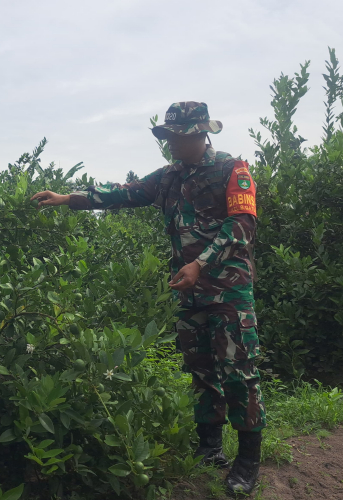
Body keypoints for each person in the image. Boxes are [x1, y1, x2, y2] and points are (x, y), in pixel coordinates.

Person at [31, 102, 265, 495]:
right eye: (167, 136)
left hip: (227, 291)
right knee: (202, 371)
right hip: (189, 294)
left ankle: (247, 462)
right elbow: (124, 193)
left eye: (176, 136)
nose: (170, 143)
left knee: (239, 373)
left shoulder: (232, 169)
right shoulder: (169, 176)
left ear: (197, 134)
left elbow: (242, 225)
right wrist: (68, 197)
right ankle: (210, 449)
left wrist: (201, 264)